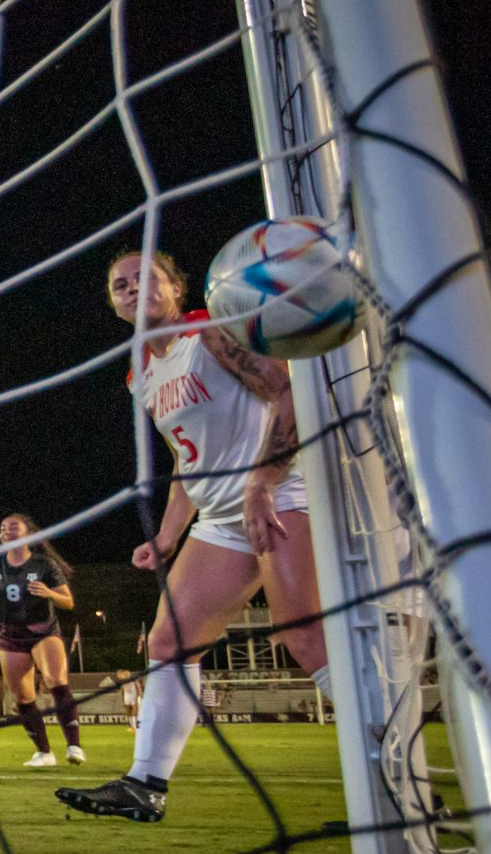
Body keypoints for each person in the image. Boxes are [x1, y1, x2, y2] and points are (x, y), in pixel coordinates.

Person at [58, 249, 328, 822]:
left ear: (177, 288)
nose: (132, 289)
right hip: (220, 518)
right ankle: (144, 784)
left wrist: (263, 482)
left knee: (306, 641)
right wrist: (167, 536)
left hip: (279, 497)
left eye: (145, 278)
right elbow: (186, 459)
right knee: (168, 643)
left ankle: (395, 780)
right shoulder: (141, 370)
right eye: (119, 285)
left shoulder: (209, 334)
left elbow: (289, 394)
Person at [0, 513, 80, 768]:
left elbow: (68, 601)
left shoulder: (44, 565)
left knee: (55, 679)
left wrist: (48, 592)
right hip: (10, 635)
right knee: (22, 697)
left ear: (28, 534)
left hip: (43, 630)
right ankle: (44, 753)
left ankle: (74, 745)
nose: (6, 531)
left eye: (13, 527)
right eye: (3, 527)